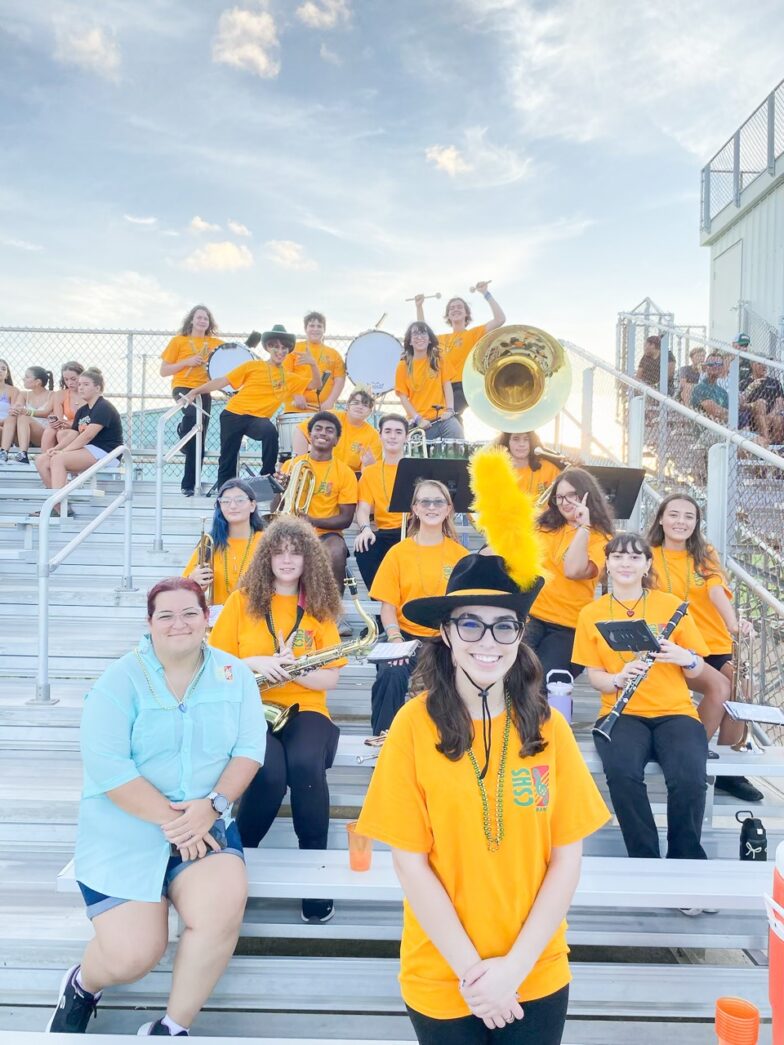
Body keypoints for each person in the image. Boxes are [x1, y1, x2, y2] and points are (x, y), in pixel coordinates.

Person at [357, 553, 610, 1044]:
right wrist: (478, 976)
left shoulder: (548, 727)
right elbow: (410, 865)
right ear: (446, 634)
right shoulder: (412, 725)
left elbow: (567, 860)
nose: (488, 642)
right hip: (444, 974)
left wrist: (512, 972)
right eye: (470, 624)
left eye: (504, 626)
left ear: (521, 635)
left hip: (534, 972)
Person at [46, 577, 266, 1037]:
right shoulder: (118, 680)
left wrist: (215, 804)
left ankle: (172, 1027)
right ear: (149, 624)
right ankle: (84, 984)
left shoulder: (236, 675)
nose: (178, 623)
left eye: (190, 612)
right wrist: (180, 822)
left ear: (207, 619)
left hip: (207, 821)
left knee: (222, 906)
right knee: (133, 956)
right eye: (165, 615)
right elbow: (109, 769)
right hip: (127, 829)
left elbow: (249, 748)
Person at [210, 516, 344, 924]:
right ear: (267, 556)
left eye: (296, 552)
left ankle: (315, 872)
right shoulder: (240, 601)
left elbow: (332, 678)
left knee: (305, 766)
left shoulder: (319, 608)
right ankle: (234, 865)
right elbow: (214, 667)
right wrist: (255, 662)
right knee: (267, 774)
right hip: (251, 706)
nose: (287, 560)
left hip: (307, 708)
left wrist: (297, 670)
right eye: (279, 551)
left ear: (309, 559)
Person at [573, 533, 710, 868]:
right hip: (621, 714)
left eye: (635, 557)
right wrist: (617, 679)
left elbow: (699, 667)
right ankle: (645, 860)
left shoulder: (671, 604)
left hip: (675, 711)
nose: (625, 563)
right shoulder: (591, 612)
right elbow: (594, 676)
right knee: (621, 773)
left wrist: (683, 657)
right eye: (618, 556)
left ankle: (685, 861)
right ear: (607, 563)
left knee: (689, 776)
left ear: (647, 564)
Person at [647, 493, 763, 803]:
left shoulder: (704, 554)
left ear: (696, 523)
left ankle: (728, 772)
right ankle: (691, 755)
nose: (680, 521)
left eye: (689, 516)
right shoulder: (648, 555)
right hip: (675, 647)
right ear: (660, 518)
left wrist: (734, 624)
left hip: (713, 643)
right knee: (721, 688)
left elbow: (715, 592)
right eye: (674, 514)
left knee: (742, 688)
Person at [368, 478, 469, 733]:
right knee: (391, 673)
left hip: (444, 640)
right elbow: (388, 606)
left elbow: (465, 608)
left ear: (448, 509)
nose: (431, 507)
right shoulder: (398, 553)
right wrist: (395, 641)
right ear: (414, 508)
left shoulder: (461, 556)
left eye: (438, 502)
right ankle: (383, 742)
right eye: (425, 501)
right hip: (404, 636)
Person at [184, 325, 319, 488]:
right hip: (233, 414)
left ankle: (266, 479)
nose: (280, 351)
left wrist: (313, 365)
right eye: (275, 346)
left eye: (284, 348)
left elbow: (316, 384)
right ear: (268, 347)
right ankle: (224, 493)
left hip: (257, 419)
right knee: (228, 457)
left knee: (269, 432)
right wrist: (194, 391)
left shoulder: (289, 378)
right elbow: (222, 381)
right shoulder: (253, 366)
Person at [524, 468, 614, 689]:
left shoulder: (601, 538)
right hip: (531, 616)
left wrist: (583, 527)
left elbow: (573, 571)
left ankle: (548, 723)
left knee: (544, 682)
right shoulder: (544, 527)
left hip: (567, 626)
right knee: (511, 672)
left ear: (586, 495)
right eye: (560, 497)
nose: (565, 502)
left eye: (572, 495)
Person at [277, 411, 358, 597]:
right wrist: (279, 490)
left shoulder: (345, 473)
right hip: (292, 530)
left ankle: (333, 610)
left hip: (326, 534)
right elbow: (277, 510)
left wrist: (311, 520)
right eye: (318, 429)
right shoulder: (291, 465)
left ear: (336, 440)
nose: (323, 433)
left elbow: (345, 519)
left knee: (337, 551)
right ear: (310, 435)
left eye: (329, 431)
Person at [35, 368, 123, 513]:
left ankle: (56, 508)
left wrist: (63, 452)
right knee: (42, 460)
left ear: (98, 388)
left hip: (107, 452)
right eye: (80, 384)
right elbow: (74, 435)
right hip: (89, 450)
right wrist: (58, 448)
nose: (81, 387)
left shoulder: (103, 407)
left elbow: (88, 435)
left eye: (86, 384)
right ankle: (59, 508)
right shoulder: (82, 411)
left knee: (58, 460)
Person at [160, 305, 224, 497]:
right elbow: (164, 371)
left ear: (209, 322)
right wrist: (187, 362)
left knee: (199, 438)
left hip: (204, 390)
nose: (202, 321)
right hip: (183, 387)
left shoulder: (215, 342)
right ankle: (184, 436)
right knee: (191, 415)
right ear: (191, 320)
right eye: (199, 317)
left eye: (206, 318)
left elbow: (230, 358)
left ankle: (190, 483)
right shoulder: (179, 341)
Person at [416, 281, 506, 415]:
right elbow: (422, 333)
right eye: (451, 308)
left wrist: (485, 293)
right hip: (442, 387)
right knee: (439, 417)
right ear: (448, 315)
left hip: (462, 386)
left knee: (450, 414)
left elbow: (500, 319)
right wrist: (419, 307)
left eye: (459, 307)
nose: (455, 309)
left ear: (466, 314)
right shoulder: (441, 339)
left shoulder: (473, 334)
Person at [182, 478, 265, 617]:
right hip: (218, 623)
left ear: (252, 505)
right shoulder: (209, 542)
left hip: (256, 620)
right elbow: (181, 588)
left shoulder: (266, 541)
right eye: (225, 501)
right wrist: (192, 581)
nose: (232, 506)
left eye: (239, 500)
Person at [354, 413, 408, 592]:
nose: (393, 436)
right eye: (388, 431)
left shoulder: (416, 466)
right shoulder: (370, 473)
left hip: (414, 530)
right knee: (364, 547)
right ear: (380, 435)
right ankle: (379, 610)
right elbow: (362, 508)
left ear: (406, 437)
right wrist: (365, 529)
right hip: (385, 532)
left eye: (398, 432)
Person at [395, 322, 463, 443]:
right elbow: (403, 398)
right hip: (419, 422)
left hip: (442, 419)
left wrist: (450, 410)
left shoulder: (439, 359)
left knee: (456, 437)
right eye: (415, 334)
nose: (419, 337)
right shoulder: (403, 366)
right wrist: (418, 419)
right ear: (410, 341)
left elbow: (447, 385)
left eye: (423, 333)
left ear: (430, 340)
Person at [292, 387, 382, 471]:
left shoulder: (373, 436)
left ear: (370, 412)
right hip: (320, 469)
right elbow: (301, 430)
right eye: (356, 402)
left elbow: (368, 470)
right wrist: (301, 466)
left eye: (365, 405)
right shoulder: (331, 417)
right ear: (347, 405)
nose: (360, 407)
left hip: (348, 478)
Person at [282, 311, 346, 414]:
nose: (315, 329)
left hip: (323, 410)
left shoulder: (334, 354)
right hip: (296, 408)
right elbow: (284, 374)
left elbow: (340, 379)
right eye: (311, 326)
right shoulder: (294, 349)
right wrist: (296, 394)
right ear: (305, 329)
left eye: (319, 326)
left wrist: (330, 402)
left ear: (324, 329)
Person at [0, 365, 55, 464]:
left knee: (24, 416)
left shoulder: (52, 395)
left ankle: (23, 455)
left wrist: (28, 412)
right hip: (23, 435)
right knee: (12, 417)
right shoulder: (24, 394)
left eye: (27, 377)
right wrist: (15, 410)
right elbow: (17, 407)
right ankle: (3, 453)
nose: (23, 378)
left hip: (42, 435)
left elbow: (46, 412)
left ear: (37, 382)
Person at [495, 431, 562, 499]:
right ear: (507, 442)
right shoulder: (496, 473)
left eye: (526, 439)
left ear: (532, 442)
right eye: (516, 439)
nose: (522, 444)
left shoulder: (549, 469)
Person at [42, 361, 86, 451]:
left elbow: (92, 421)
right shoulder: (61, 394)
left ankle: (65, 459)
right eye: (66, 379)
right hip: (67, 427)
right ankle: (45, 458)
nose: (69, 383)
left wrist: (73, 425)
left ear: (82, 377)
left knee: (63, 433)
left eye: (73, 379)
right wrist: (55, 422)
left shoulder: (89, 394)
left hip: (85, 428)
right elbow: (59, 419)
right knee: (51, 429)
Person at [739, 359, 784, 444]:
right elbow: (741, 405)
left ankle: (775, 447)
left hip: (772, 415)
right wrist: (754, 405)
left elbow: (780, 402)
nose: (763, 366)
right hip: (752, 416)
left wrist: (771, 415)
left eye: (765, 363)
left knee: (779, 419)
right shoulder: (744, 383)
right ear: (752, 365)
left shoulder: (775, 382)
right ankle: (766, 441)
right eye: (759, 363)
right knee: (761, 403)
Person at [691, 353, 729, 421]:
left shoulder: (723, 392)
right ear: (705, 367)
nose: (714, 366)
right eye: (711, 364)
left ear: (722, 367)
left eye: (718, 364)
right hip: (704, 429)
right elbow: (716, 412)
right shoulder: (700, 388)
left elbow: (730, 413)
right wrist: (727, 413)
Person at [0, 359, 18, 450]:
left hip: (7, 428)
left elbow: (14, 414)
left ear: (7, 374)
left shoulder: (13, 391)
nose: (0, 371)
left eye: (3, 369)